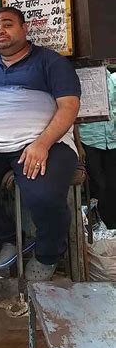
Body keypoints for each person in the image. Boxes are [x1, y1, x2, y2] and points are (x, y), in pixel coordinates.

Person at [0, 6, 81, 281]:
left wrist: (42, 143)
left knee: (43, 195)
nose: (0, 31)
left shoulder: (50, 62)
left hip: (43, 142)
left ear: (24, 29)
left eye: (7, 24)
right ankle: (11, 237)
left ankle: (48, 254)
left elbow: (69, 106)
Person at [78, 69, 116, 229]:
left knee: (113, 183)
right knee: (100, 185)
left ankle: (112, 225)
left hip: (112, 139)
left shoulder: (112, 79)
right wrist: (79, 146)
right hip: (89, 139)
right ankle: (107, 222)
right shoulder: (78, 78)